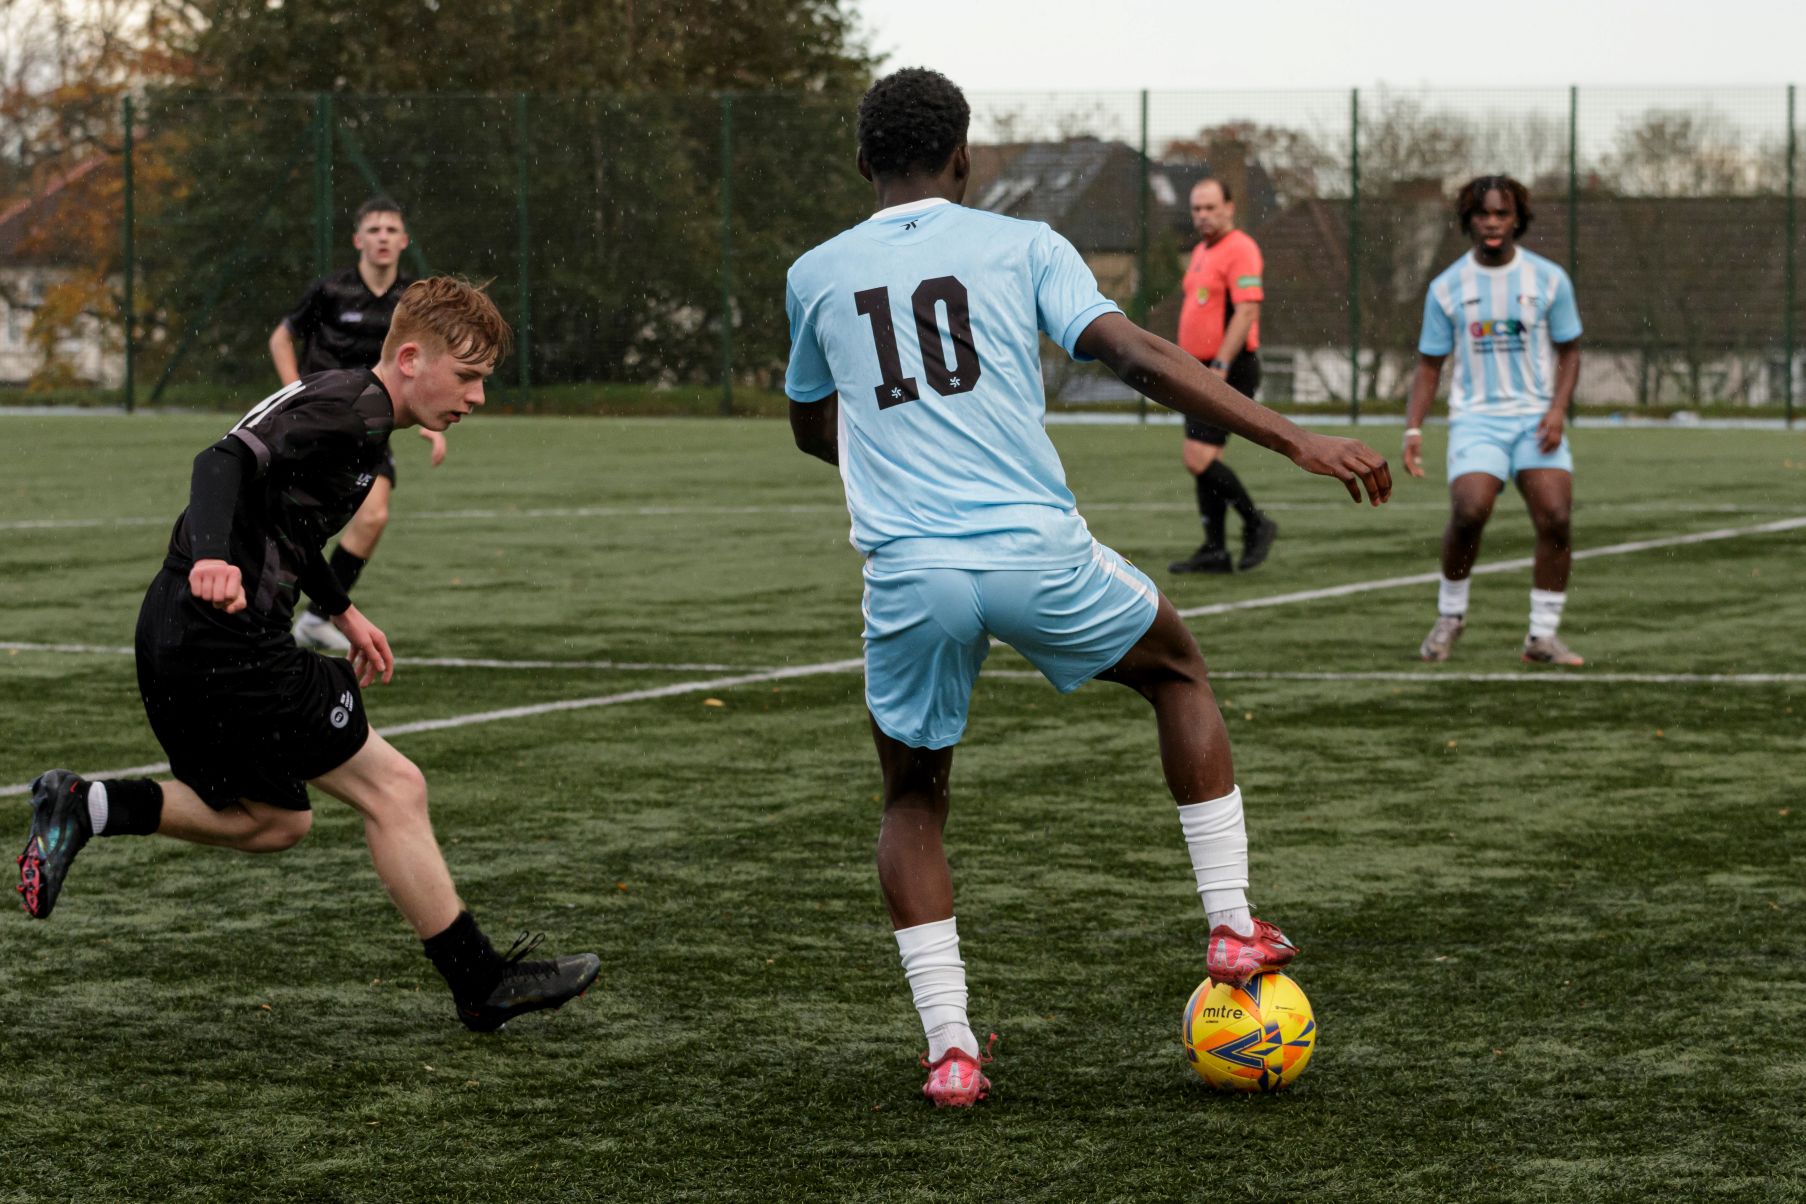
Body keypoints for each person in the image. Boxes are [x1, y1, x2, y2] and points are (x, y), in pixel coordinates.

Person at [785, 68, 1391, 1108]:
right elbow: (1140, 355)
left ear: (862, 165)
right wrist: (1294, 436)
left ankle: (952, 1052)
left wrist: (896, 455)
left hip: (910, 574)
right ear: (965, 158)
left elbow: (809, 423)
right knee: (1177, 671)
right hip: (1035, 555)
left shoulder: (813, 274)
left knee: (913, 794)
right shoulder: (1024, 245)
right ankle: (1233, 923)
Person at [17, 278, 600, 1032]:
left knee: (274, 821)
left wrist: (341, 609)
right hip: (221, 638)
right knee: (395, 787)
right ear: (413, 358)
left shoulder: (363, 416)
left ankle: (83, 805)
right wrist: (213, 558)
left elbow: (290, 525)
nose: (478, 397)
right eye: (468, 377)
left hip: (183, 636)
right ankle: (481, 982)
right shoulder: (343, 411)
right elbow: (219, 461)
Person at [1405, 174, 1584, 666]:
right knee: (1470, 510)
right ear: (1468, 219)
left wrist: (1557, 410)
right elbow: (1428, 365)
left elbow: (1570, 352)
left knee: (1557, 516)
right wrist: (1414, 428)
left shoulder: (1549, 280)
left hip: (1535, 421)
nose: (1491, 222)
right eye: (1482, 213)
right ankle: (1450, 616)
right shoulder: (1447, 287)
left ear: (1517, 219)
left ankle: (1542, 636)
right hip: (1476, 421)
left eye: (1501, 213)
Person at [269, 195, 445, 653]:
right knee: (294, 518)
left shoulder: (413, 301)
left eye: (391, 230)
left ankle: (316, 617)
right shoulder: (330, 291)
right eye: (374, 230)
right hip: (321, 422)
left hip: (374, 424)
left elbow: (422, 366)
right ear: (358, 240)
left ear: (404, 241)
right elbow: (282, 337)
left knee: (374, 516)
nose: (382, 237)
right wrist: (293, 392)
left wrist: (430, 420)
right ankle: (267, 611)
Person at [1168, 177, 1278, 574]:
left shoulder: (1241, 249)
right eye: (1197, 209)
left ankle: (1256, 523)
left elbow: (1246, 311)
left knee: (1197, 457)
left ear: (1230, 208)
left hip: (1226, 367)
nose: (1203, 216)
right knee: (1205, 459)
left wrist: (1219, 367)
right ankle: (1215, 549)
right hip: (1199, 369)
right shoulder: (1200, 251)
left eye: (1211, 208)